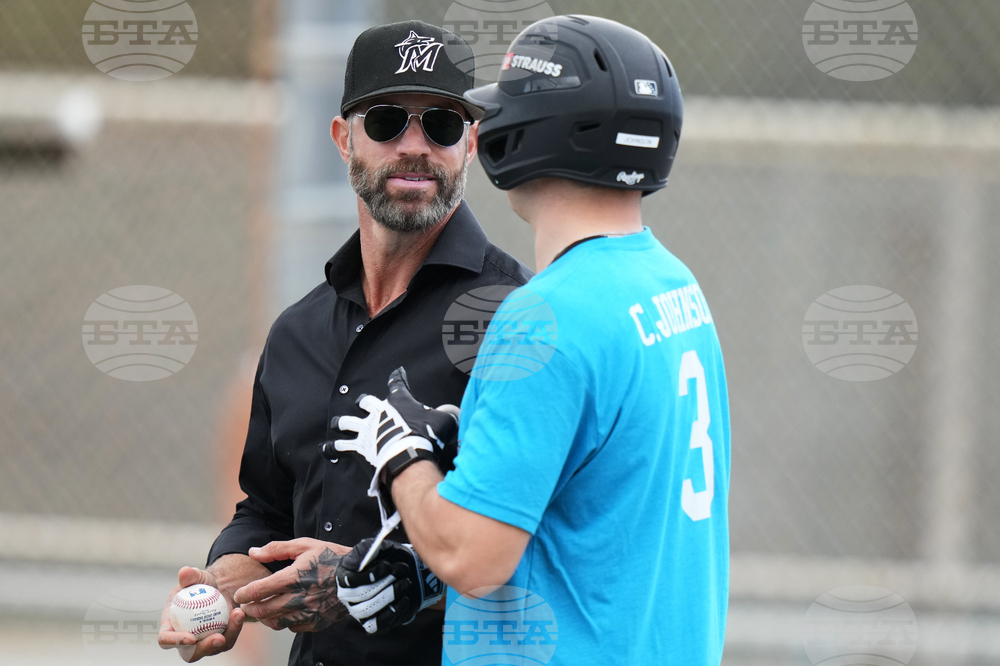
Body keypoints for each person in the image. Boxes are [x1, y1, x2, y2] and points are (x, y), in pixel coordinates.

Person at [331, 15, 731, 665]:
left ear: (532, 136)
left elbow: (473, 556)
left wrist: (403, 454)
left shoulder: (545, 316)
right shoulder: (672, 285)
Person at [156, 20, 532, 665]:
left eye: (441, 124)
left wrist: (362, 577)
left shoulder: (514, 320)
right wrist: (228, 578)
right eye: (386, 121)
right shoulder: (298, 332)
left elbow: (528, 550)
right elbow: (268, 508)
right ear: (343, 138)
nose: (414, 145)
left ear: (470, 145)